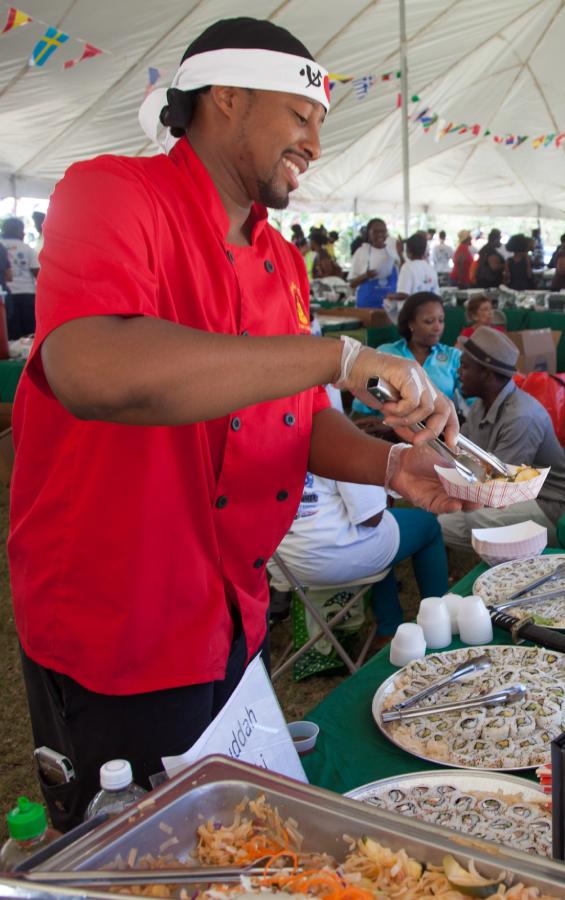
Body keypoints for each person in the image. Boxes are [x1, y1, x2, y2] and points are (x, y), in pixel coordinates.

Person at [11, 17, 465, 829]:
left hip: (231, 608)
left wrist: (389, 467)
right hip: (124, 619)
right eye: (301, 116)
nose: (315, 145)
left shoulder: (282, 261)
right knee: (142, 856)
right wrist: (333, 357)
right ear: (225, 97)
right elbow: (93, 370)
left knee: (239, 846)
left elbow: (286, 417)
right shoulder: (113, 192)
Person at [274, 387, 449, 642]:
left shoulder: (266, 435)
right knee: (425, 526)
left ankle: (390, 626)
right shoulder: (336, 444)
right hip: (332, 558)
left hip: (285, 564)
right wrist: (360, 446)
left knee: (386, 534)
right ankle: (439, 618)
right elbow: (372, 517)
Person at [438, 327, 565, 550]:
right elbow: (458, 452)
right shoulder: (480, 404)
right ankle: (512, 556)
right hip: (513, 495)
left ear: (486, 374)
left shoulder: (522, 416)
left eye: (465, 366)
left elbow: (499, 488)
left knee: (477, 517)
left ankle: (520, 563)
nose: (458, 372)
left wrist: (451, 484)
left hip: (552, 506)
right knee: (441, 523)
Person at [354, 291, 461, 413]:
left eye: (441, 320)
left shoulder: (454, 356)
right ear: (411, 323)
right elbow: (361, 406)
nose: (437, 328)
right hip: (386, 427)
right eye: (429, 321)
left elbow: (474, 402)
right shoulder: (385, 353)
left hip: (440, 429)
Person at [348, 217, 399, 309]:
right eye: (375, 232)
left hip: (390, 307)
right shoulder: (362, 252)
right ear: (369, 233)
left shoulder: (394, 251)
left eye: (383, 231)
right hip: (367, 306)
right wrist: (365, 276)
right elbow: (352, 284)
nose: (380, 234)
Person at [0, 217, 39, 339]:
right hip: (27, 294)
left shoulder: (1, 246)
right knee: (30, 332)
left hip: (5, 295)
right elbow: (37, 272)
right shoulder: (27, 248)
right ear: (20, 231)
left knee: (10, 332)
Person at [392, 231, 440, 314]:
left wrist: (389, 296)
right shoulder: (430, 269)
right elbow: (436, 294)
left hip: (411, 313)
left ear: (408, 250)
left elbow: (403, 294)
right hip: (427, 312)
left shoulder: (407, 267)